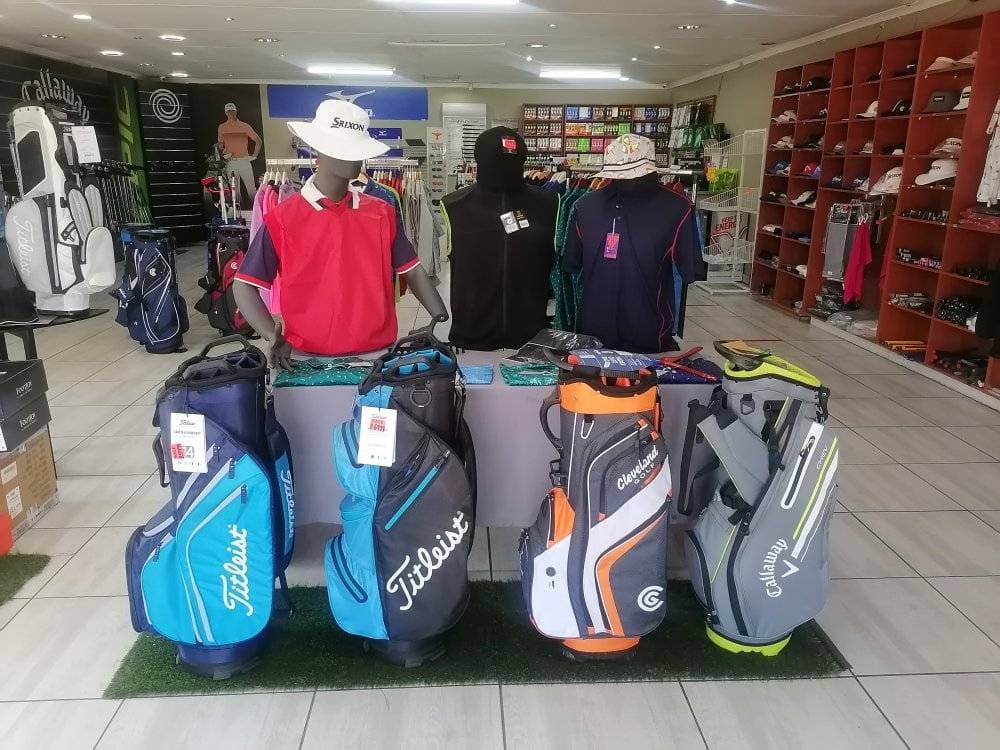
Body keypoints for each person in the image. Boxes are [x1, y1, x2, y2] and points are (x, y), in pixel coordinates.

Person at [232, 99, 447, 369]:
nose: (353, 158)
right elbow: (244, 283)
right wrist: (270, 333)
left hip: (376, 355)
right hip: (306, 358)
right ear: (318, 151)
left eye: (357, 150)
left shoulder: (382, 212)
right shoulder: (282, 218)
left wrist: (437, 316)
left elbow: (412, 270)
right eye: (343, 149)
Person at [217, 102, 262, 205]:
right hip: (230, 163)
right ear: (225, 113)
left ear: (236, 111)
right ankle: (239, 214)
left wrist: (254, 156)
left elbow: (258, 141)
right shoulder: (222, 127)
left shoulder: (244, 126)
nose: (230, 113)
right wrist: (222, 152)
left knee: (251, 190)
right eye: (228, 111)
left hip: (244, 162)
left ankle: (257, 212)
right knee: (235, 192)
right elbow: (220, 145)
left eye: (232, 111)